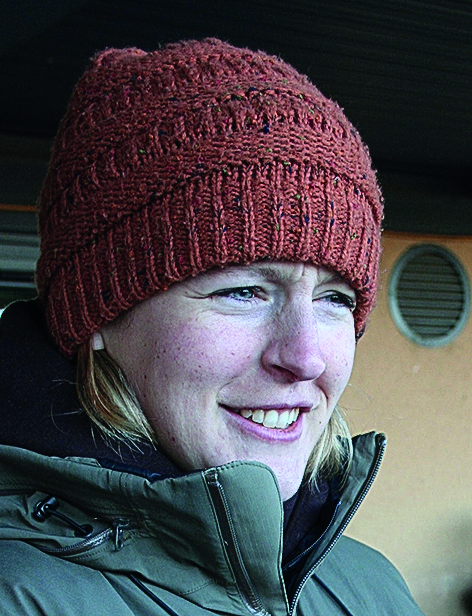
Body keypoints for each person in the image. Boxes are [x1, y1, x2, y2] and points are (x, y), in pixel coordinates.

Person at [0, 38, 424, 615]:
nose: (306, 358)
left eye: (336, 298)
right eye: (243, 291)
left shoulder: (372, 588)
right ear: (100, 314)